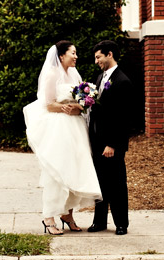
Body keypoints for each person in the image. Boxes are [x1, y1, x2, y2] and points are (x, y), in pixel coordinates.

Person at [23, 40, 102, 236]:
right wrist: (64, 108)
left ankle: (67, 214)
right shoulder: (51, 74)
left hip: (75, 126)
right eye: (72, 53)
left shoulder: (74, 74)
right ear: (61, 56)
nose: (76, 56)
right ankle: (48, 217)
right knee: (57, 170)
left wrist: (80, 106)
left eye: (76, 53)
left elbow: (82, 101)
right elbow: (48, 104)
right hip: (58, 127)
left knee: (75, 168)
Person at [87, 40, 133, 235]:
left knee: (117, 184)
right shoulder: (99, 78)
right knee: (100, 183)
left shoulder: (123, 81)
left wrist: (112, 144)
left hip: (111, 144)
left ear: (110, 54)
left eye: (99, 57)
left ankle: (121, 223)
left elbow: (124, 117)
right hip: (97, 141)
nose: (96, 61)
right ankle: (100, 222)